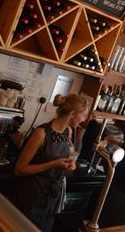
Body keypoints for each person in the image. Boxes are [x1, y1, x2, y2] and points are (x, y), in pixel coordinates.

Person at [12, 93, 88, 232]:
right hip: (32, 196)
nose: (83, 119)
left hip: (51, 198)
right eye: (83, 115)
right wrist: (52, 164)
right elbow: (20, 169)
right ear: (72, 114)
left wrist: (71, 164)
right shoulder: (41, 134)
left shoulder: (68, 132)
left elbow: (66, 157)